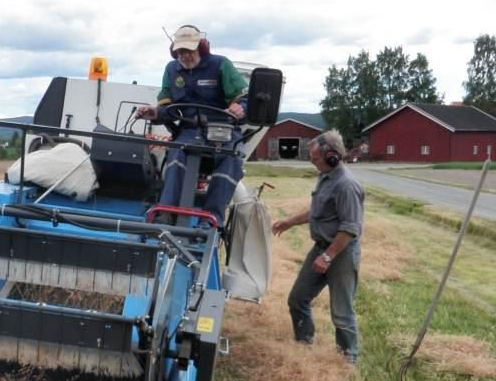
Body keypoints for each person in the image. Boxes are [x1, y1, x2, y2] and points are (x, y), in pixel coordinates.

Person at [136, 24, 248, 227]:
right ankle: (166, 213)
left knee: (232, 158)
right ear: (174, 52)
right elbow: (167, 109)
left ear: (201, 47)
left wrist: (240, 107)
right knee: (176, 152)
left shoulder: (221, 65)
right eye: (180, 51)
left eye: (189, 50)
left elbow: (245, 100)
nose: (185, 56)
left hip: (223, 131)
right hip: (189, 130)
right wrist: (153, 113)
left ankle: (210, 219)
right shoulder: (171, 70)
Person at [271, 130, 364, 363]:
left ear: (332, 155)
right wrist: (290, 222)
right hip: (322, 248)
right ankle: (304, 342)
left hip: (340, 253)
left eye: (315, 159)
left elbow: (350, 229)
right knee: (298, 298)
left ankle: (347, 360)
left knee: (342, 313)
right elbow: (318, 211)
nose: (313, 163)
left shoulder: (346, 185)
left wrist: (328, 257)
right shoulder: (326, 177)